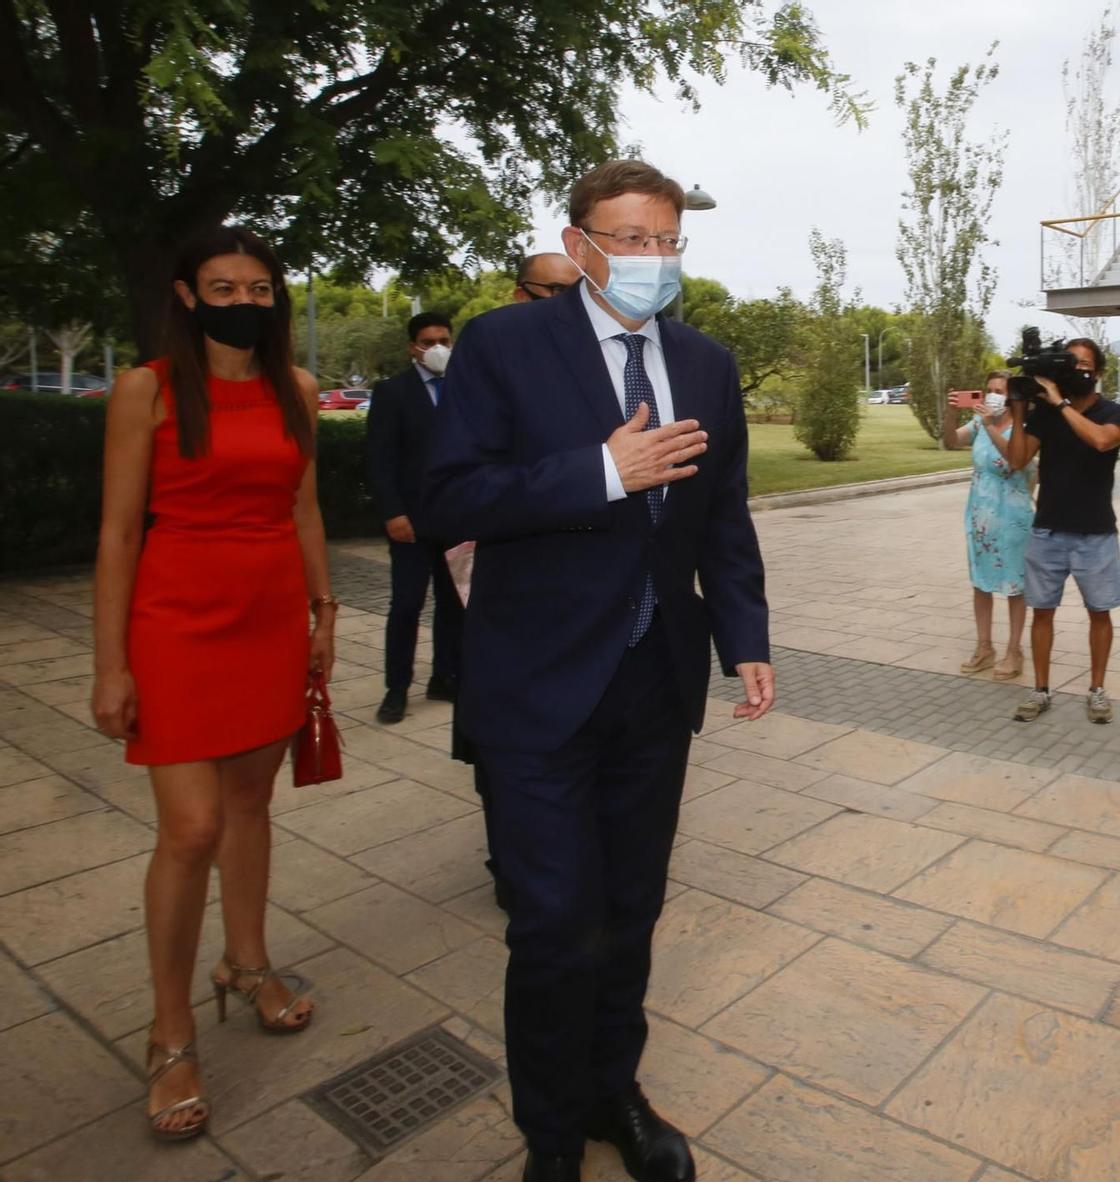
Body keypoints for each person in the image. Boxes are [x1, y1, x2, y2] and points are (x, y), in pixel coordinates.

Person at [424, 159, 773, 1182]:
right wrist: (598, 473)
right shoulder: (503, 344)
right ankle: (547, 1135)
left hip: (654, 686)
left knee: (628, 916)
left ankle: (612, 1090)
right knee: (552, 929)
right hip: (536, 689)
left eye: (665, 239)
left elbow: (725, 513)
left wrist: (743, 635)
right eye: (627, 238)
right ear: (578, 245)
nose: (648, 257)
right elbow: (447, 498)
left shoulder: (704, 363)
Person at [91, 226, 331, 1141]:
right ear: (188, 296)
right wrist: (110, 662)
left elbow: (305, 509)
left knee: (250, 807)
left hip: (271, 619)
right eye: (222, 287)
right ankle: (170, 1031)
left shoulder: (298, 391)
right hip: (176, 622)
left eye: (259, 287)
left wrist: (323, 619)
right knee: (189, 829)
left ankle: (247, 962)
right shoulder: (143, 389)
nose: (243, 302)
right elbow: (117, 535)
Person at [1004, 337, 1120, 725]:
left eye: (1085, 364)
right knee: (1041, 613)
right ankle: (1040, 690)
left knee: (1099, 613)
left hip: (1096, 533)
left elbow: (1101, 441)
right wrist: (1022, 409)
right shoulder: (1044, 413)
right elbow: (1017, 460)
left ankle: (1097, 690)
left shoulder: (1114, 411)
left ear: (1099, 371)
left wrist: (1058, 402)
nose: (1077, 369)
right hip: (1048, 532)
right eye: (1069, 363)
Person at [365, 311, 464, 723]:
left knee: (453, 605)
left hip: (457, 518)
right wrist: (392, 512)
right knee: (406, 604)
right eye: (428, 342)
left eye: (443, 339)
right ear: (413, 347)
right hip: (410, 522)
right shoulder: (392, 392)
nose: (437, 348)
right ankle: (396, 688)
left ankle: (446, 676)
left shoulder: (464, 388)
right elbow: (379, 458)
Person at [947, 370, 1033, 680]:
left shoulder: (1024, 429)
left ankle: (1014, 650)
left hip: (1012, 516)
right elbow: (950, 440)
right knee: (980, 582)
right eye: (990, 389)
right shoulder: (978, 423)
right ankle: (984, 647)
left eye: (1001, 390)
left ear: (1013, 398)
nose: (994, 395)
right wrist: (950, 412)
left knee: (1014, 584)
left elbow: (1014, 460)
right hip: (980, 515)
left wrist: (988, 424)